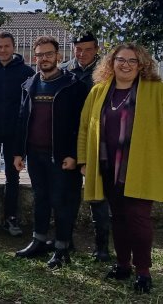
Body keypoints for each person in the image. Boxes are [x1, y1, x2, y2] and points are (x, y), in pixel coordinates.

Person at [77, 43, 163, 294]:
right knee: (118, 217)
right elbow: (85, 128)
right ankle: (123, 264)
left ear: (141, 65)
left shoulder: (156, 90)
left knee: (138, 218)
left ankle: (143, 271)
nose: (126, 65)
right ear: (111, 63)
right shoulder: (99, 91)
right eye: (121, 59)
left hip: (142, 166)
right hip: (108, 166)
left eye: (132, 61)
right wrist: (83, 160)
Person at [13, 35, 88, 269]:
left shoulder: (74, 86)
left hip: (63, 157)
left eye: (48, 54)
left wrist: (74, 154)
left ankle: (62, 248)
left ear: (59, 56)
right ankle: (39, 240)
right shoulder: (29, 85)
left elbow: (82, 125)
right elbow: (22, 120)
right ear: (34, 58)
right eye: (39, 55)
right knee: (41, 199)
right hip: (36, 154)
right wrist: (19, 153)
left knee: (62, 201)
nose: (44, 59)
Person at [60, 32, 111, 261]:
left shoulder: (106, 73)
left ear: (97, 49)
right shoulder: (64, 70)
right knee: (67, 195)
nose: (82, 54)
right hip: (69, 139)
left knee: (98, 197)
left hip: (97, 139)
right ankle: (65, 240)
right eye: (78, 49)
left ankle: (101, 247)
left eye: (88, 49)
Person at [0, 32, 34, 237]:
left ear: (13, 47)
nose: (3, 50)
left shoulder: (26, 72)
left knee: (13, 176)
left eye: (6, 46)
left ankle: (11, 217)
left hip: (15, 132)